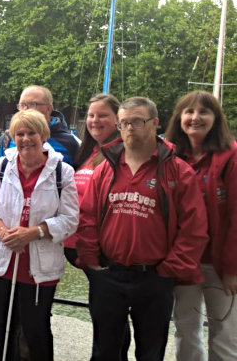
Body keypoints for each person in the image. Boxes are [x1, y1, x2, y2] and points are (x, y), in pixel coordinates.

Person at [76, 96, 209, 361]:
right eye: (124, 123)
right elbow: (88, 216)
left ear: (155, 123)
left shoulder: (177, 172)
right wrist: (91, 259)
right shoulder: (106, 169)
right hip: (109, 274)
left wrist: (169, 269)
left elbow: (193, 229)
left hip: (154, 277)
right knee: (105, 350)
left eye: (137, 121)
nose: (129, 129)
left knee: (150, 352)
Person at [0, 110, 79, 361]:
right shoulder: (4, 166)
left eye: (31, 133)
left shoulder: (62, 172)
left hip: (39, 267)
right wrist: (2, 231)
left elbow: (70, 220)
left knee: (37, 330)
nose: (25, 139)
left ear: (44, 135)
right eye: (19, 134)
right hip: (2, 262)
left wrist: (34, 233)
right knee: (0, 325)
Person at [164, 91, 237, 361]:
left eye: (204, 112)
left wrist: (232, 268)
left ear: (216, 118)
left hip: (218, 264)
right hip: (183, 261)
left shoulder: (231, 156)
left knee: (225, 334)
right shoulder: (169, 157)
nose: (196, 117)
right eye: (189, 112)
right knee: (185, 329)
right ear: (179, 118)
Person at [63, 94, 132, 360]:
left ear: (118, 119)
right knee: (105, 316)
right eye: (91, 115)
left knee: (108, 317)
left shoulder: (122, 154)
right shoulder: (90, 152)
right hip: (78, 246)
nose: (94, 120)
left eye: (102, 115)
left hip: (102, 250)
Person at [0, 86, 79, 167]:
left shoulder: (69, 143)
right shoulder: (7, 139)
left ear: (49, 108)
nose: (25, 110)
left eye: (32, 104)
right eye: (22, 105)